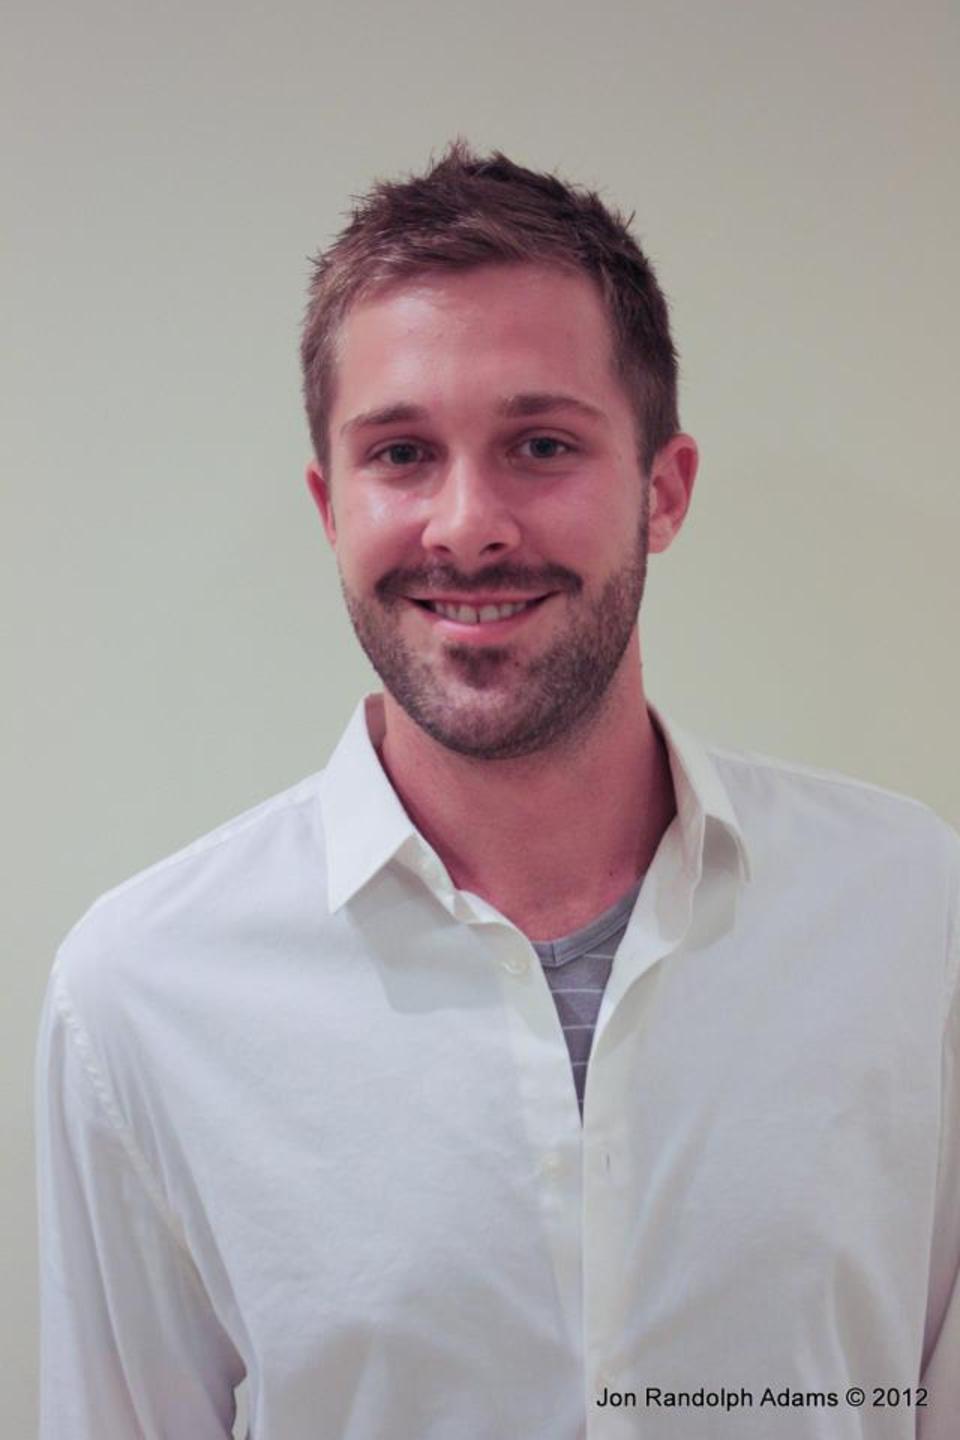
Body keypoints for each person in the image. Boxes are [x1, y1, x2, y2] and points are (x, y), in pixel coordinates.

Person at [35, 138, 959, 1440]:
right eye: (401, 453)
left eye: (539, 443)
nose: (466, 523)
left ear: (663, 492)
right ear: (330, 507)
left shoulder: (917, 919)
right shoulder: (139, 994)